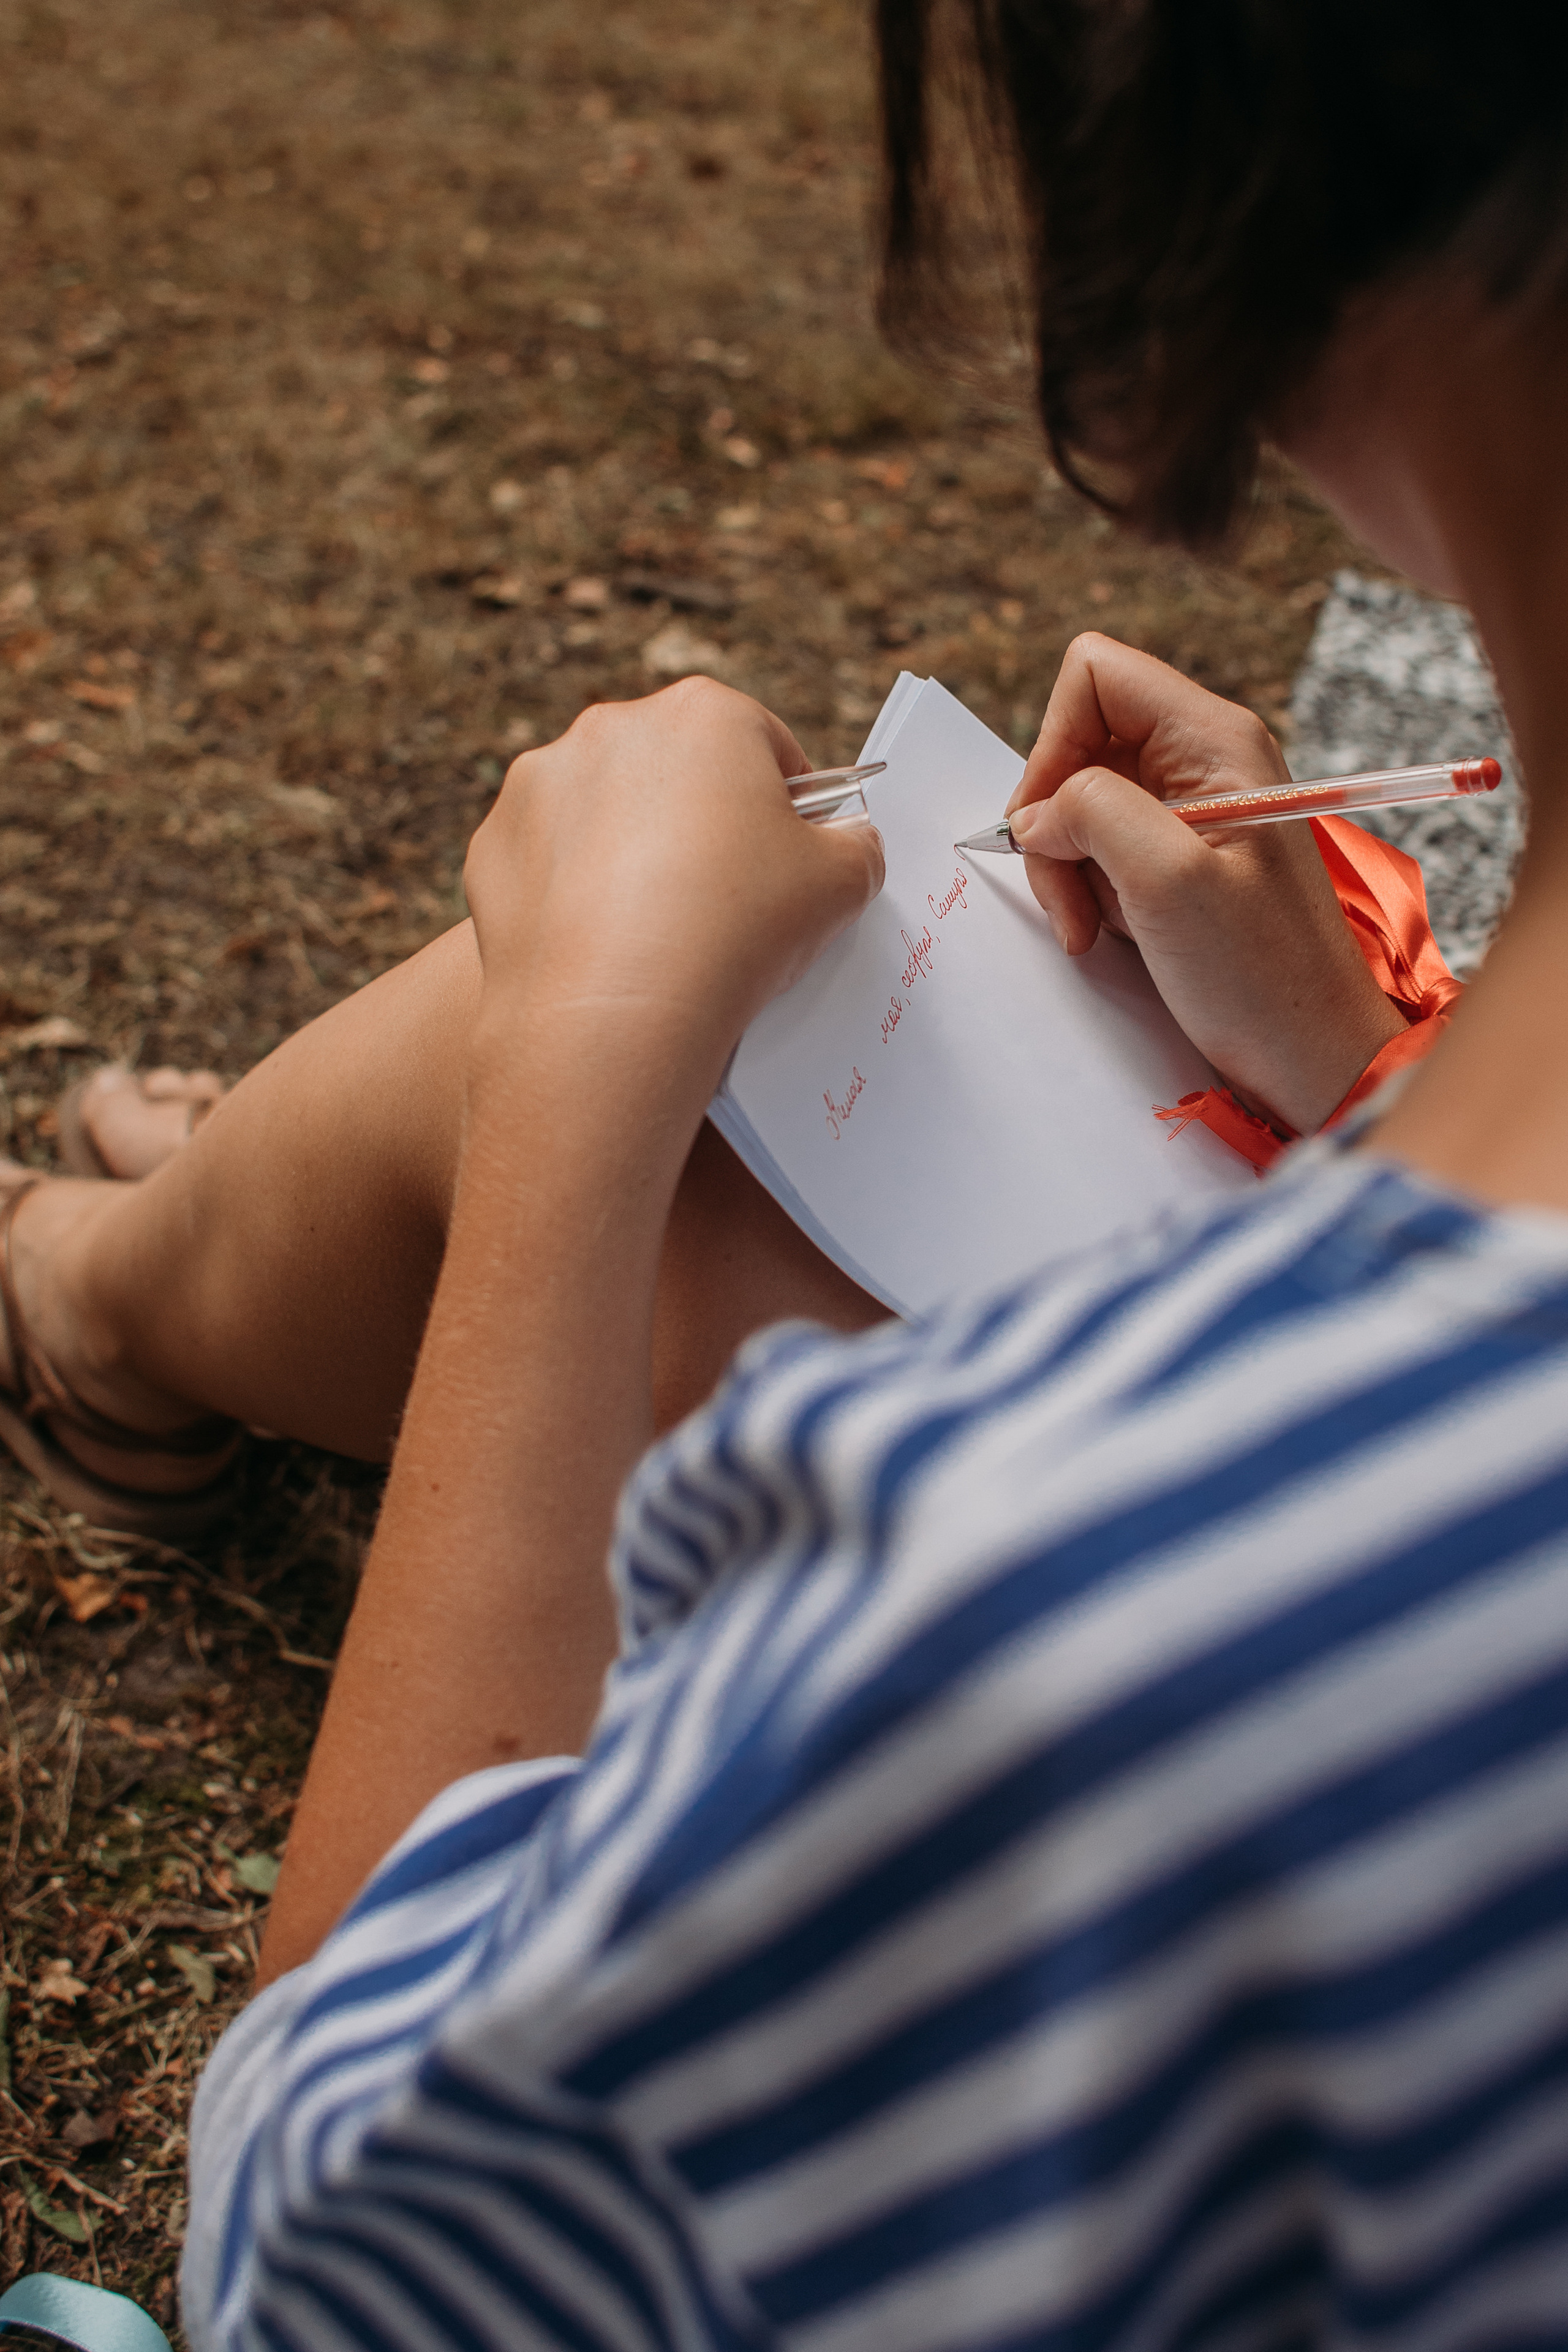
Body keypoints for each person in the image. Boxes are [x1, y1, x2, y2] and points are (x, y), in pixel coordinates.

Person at [7, 0, 1568, 2337]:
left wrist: (578, 1074)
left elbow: (337, 2245)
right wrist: (1355, 1078)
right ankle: (151, 1253)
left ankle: (94, 1312)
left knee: (684, 1112)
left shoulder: (1063, 1628)